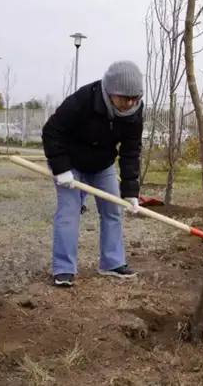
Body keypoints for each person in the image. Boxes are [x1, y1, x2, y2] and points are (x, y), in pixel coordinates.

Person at [42, 60, 145, 287]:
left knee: (112, 211)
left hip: (102, 165)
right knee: (69, 213)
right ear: (109, 92)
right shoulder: (83, 100)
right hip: (70, 163)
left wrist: (130, 190)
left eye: (134, 98)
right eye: (124, 98)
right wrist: (61, 169)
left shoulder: (134, 111)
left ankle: (112, 263)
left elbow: (130, 151)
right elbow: (52, 131)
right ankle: (64, 269)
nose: (129, 103)